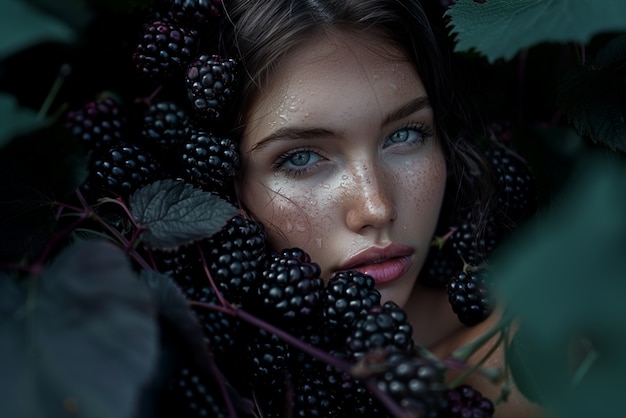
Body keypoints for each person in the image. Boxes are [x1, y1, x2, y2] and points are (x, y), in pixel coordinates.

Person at [214, 0, 544, 417]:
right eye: (300, 158)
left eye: (405, 135)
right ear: (226, 184)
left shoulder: (524, 370)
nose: (376, 207)